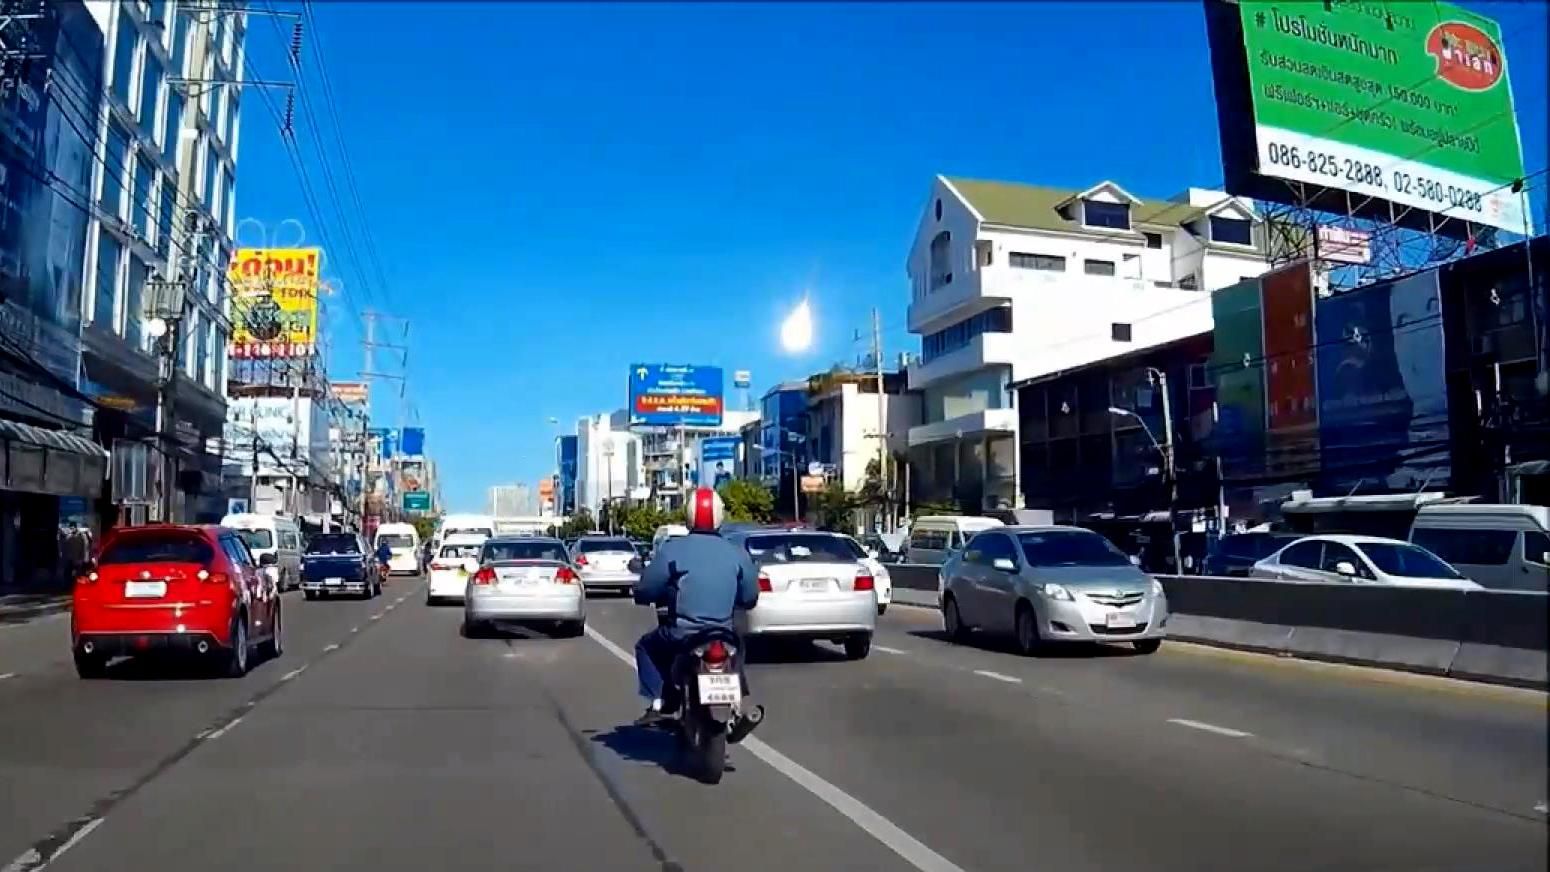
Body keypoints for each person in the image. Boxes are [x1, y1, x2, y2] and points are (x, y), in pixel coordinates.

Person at [632, 486, 761, 733]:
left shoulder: (673, 549)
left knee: (645, 646)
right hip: (723, 633)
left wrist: (643, 595)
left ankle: (658, 702)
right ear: (721, 516)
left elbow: (648, 587)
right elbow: (750, 596)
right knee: (738, 649)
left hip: (682, 633)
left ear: (688, 515)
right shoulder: (736, 552)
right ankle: (739, 701)